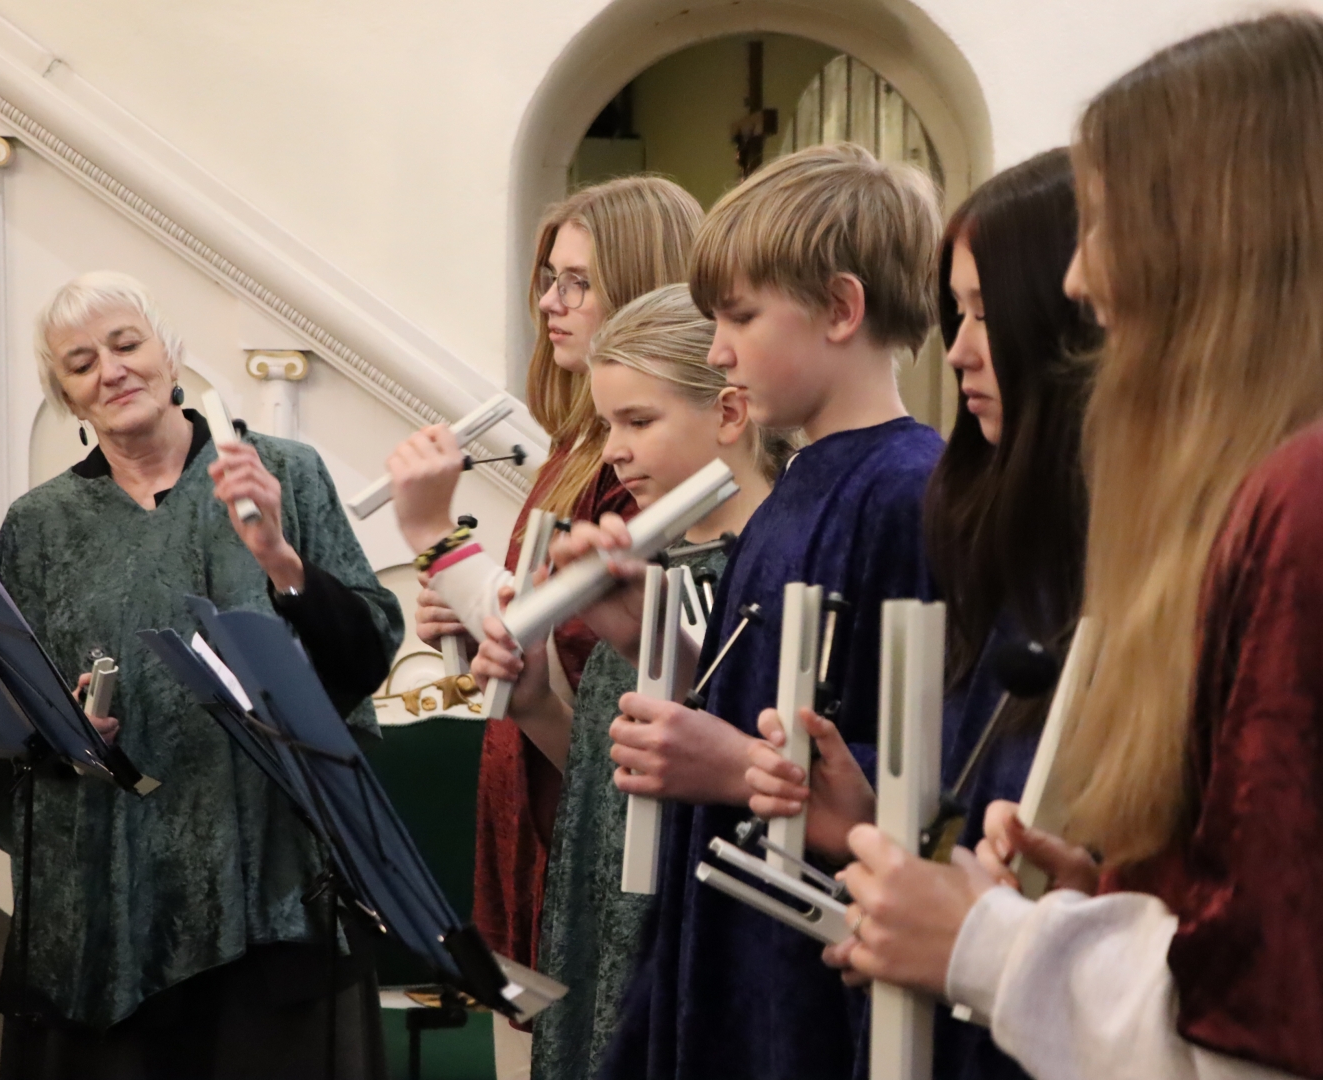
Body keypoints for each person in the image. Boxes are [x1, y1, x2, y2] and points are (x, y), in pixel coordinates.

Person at [822, 13, 1323, 1080]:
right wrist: (1127, 906)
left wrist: (991, 947)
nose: (1078, 280)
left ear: (1210, 233)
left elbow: (1293, 1031)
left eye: (1107, 223)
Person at [0, 270, 403, 1079]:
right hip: (106, 908)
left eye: (126, 344)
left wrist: (280, 559)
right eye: (81, 362)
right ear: (65, 394)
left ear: (170, 354)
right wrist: (60, 735)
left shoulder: (282, 473)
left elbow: (365, 655)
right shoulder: (38, 527)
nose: (111, 370)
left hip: (273, 895)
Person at [590, 143, 944, 1080]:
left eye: (739, 316)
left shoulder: (909, 492)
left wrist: (739, 768)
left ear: (840, 308)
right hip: (730, 947)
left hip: (814, 986)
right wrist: (653, 637)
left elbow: (920, 765)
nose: (718, 350)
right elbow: (768, 686)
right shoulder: (797, 486)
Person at [743, 149, 1095, 1079]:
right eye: (957, 313)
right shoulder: (1009, 542)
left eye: (986, 313)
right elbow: (957, 796)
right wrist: (871, 818)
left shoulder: (917, 495)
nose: (959, 349)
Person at [385, 177, 701, 1073]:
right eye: (547, 279)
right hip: (532, 806)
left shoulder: (638, 475)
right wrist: (461, 619)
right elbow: (530, 641)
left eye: (578, 282)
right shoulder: (576, 448)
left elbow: (577, 660)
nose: (551, 303)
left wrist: (436, 537)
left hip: (589, 821)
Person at [463, 284, 788, 1080]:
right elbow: (607, 781)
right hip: (599, 914)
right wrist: (535, 699)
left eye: (638, 421)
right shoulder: (646, 567)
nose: (611, 450)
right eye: (608, 424)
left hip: (691, 932)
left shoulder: (769, 573)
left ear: (730, 412)